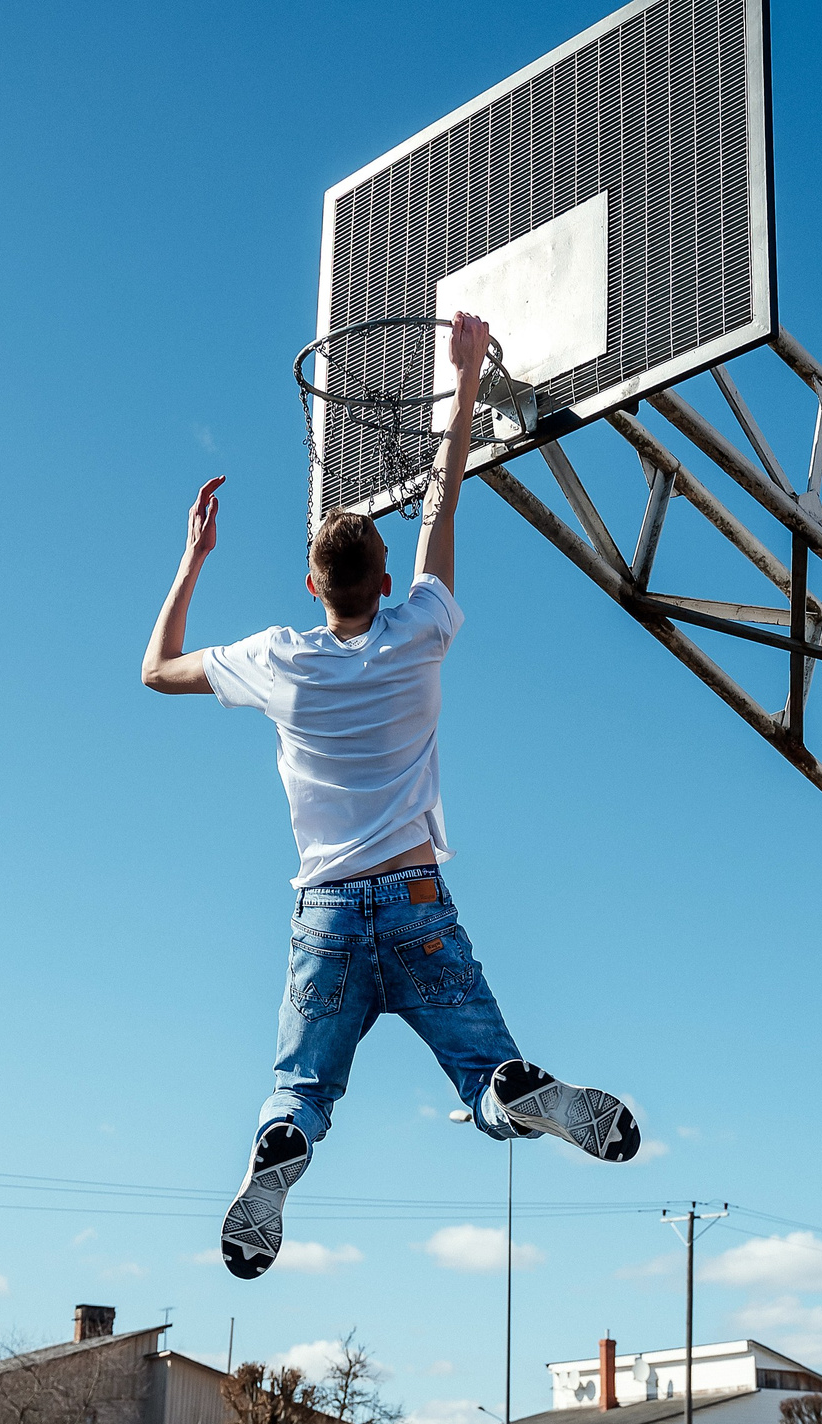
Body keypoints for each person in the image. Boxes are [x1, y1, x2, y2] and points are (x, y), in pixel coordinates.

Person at [142, 309, 640, 1280]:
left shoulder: (276, 660)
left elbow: (156, 669)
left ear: (310, 584)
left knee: (300, 1084)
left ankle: (282, 1141)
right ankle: (512, 1089)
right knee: (487, 1074)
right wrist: (460, 385)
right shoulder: (420, 630)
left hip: (326, 913)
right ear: (382, 578)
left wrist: (194, 557)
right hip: (415, 904)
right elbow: (444, 504)